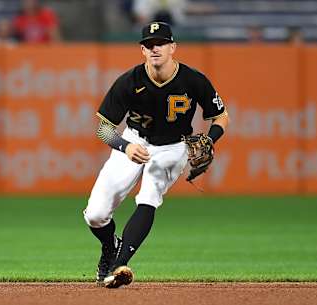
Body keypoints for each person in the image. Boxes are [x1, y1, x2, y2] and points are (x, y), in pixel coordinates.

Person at [83, 21, 230, 289]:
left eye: (160, 43)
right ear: (142, 50)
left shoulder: (193, 80)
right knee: (95, 214)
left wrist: (210, 139)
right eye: (149, 45)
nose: (155, 49)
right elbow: (103, 129)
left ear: (173, 47)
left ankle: (119, 265)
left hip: (173, 147)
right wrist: (124, 146)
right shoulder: (129, 81)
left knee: (149, 197)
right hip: (133, 141)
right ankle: (109, 246)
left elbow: (221, 116)